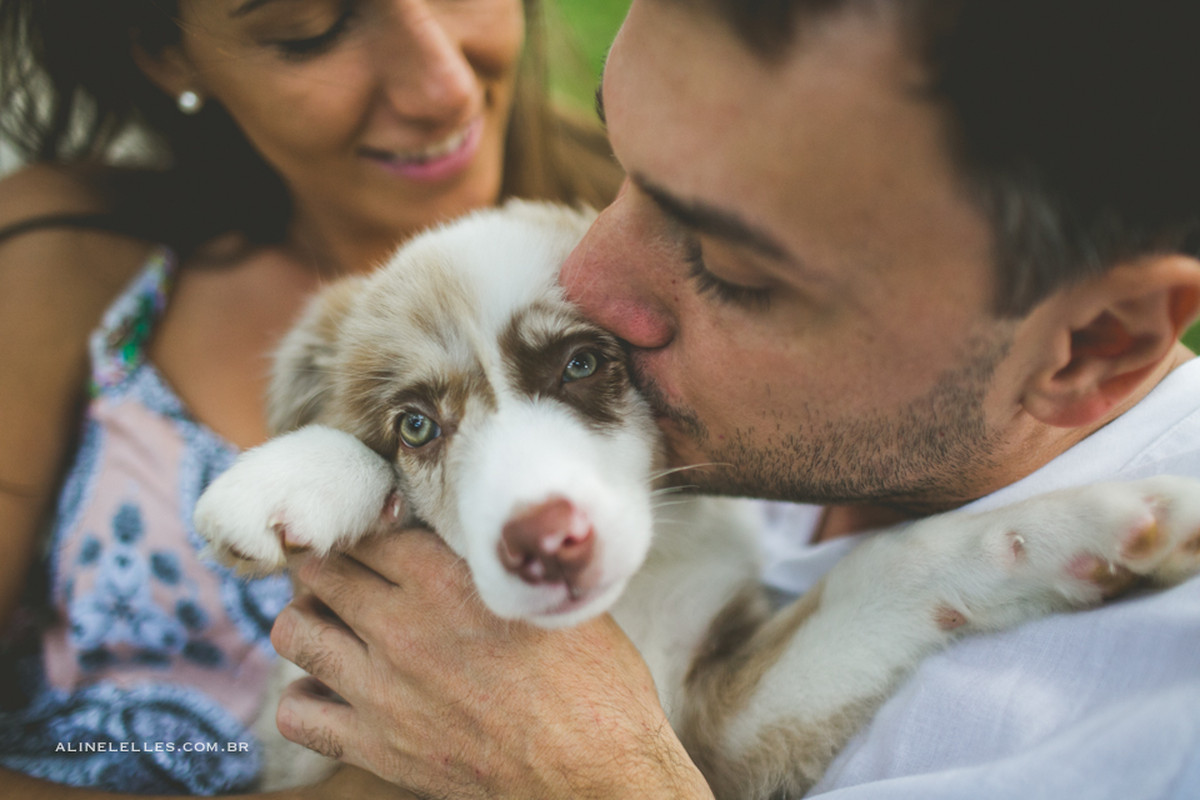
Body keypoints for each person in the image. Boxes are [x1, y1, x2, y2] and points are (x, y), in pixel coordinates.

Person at [265, 0, 1200, 798]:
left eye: (731, 266)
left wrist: (604, 779)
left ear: (1093, 342)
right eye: (621, 170)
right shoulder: (719, 430)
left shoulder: (1166, 725)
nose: (585, 284)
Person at [0, 0, 620, 797]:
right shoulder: (66, 250)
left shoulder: (646, 226)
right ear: (165, 50)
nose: (442, 88)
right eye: (311, 30)